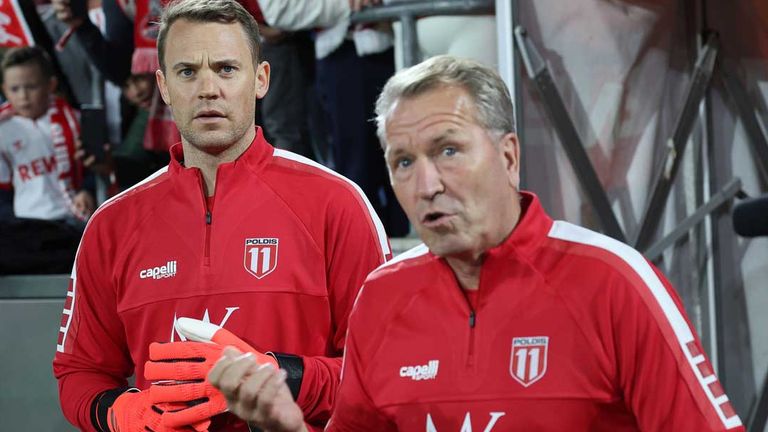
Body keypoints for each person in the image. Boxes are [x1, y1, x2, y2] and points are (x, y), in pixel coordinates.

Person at [208, 55, 745, 431]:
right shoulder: (382, 298)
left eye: (448, 151)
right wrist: (285, 428)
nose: (428, 185)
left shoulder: (614, 283)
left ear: (509, 157)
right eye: (403, 162)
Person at [51, 0, 391, 431]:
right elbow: (79, 371)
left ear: (261, 79)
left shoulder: (336, 203)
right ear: (164, 86)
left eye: (227, 69)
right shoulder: (111, 224)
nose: (208, 88)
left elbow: (385, 371)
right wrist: (122, 413)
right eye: (187, 71)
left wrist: (277, 377)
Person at [0, 45, 94, 222]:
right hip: (27, 223)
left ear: (50, 85)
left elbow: (97, 170)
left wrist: (87, 190)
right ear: (4, 90)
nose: (23, 96)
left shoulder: (75, 120)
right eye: (14, 89)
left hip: (75, 218)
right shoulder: (3, 129)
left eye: (31, 87)